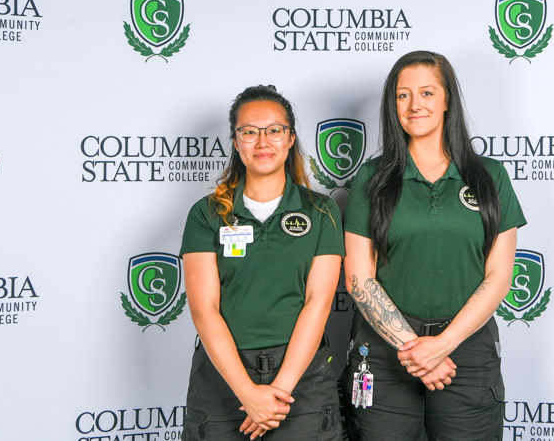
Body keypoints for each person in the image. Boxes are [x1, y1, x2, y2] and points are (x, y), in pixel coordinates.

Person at [341, 51, 527, 440]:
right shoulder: (371, 180)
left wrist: (443, 344)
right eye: (402, 95)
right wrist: (416, 350)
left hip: (468, 353)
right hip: (385, 354)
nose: (414, 105)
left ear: (447, 100)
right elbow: (359, 278)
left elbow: (498, 276)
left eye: (426, 92)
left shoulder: (490, 176)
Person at [180, 85, 344, 440]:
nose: (262, 142)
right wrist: (247, 393)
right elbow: (204, 309)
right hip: (224, 381)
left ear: (290, 139)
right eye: (249, 132)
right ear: (236, 142)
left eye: (274, 130)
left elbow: (319, 302)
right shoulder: (206, 214)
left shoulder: (321, 212)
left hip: (302, 382)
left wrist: (277, 393)